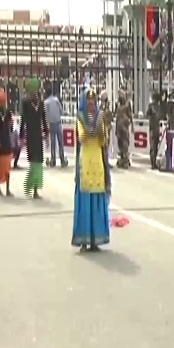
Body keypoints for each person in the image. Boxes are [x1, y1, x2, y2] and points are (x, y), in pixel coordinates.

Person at [71, 89, 111, 252]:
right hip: (86, 161)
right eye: (88, 100)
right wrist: (92, 128)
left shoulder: (100, 117)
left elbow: (104, 140)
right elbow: (82, 137)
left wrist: (100, 129)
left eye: (93, 100)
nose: (91, 103)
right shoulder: (80, 118)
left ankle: (95, 240)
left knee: (96, 198)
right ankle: (84, 239)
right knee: (86, 199)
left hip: (97, 161)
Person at [20, 77, 49, 199]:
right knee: (33, 162)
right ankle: (30, 186)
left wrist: (46, 134)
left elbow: (44, 119)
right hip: (30, 136)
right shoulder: (25, 103)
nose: (32, 94)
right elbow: (23, 119)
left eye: (33, 92)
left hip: (38, 136)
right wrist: (21, 136)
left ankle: (36, 188)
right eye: (30, 92)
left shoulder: (41, 103)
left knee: (39, 161)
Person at [0, 90, 14, 196]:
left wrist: (11, 125)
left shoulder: (8, 112)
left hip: (7, 141)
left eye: (3, 101)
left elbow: (11, 128)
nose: (2, 103)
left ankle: (8, 189)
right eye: (1, 101)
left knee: (8, 167)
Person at [44, 88, 67, 167]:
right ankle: (62, 159)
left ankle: (53, 160)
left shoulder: (46, 102)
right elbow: (61, 111)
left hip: (51, 123)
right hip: (58, 122)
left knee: (53, 143)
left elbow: (45, 115)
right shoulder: (56, 100)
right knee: (61, 142)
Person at [115, 91, 132, 169]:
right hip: (122, 127)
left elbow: (130, 116)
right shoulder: (121, 108)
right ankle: (123, 158)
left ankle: (124, 158)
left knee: (123, 143)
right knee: (123, 142)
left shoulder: (123, 108)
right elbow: (130, 116)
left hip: (121, 126)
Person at [146, 93, 161, 169]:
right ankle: (154, 163)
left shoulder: (150, 106)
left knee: (152, 146)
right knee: (155, 146)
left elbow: (147, 114)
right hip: (156, 128)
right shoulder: (158, 107)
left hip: (152, 128)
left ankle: (153, 163)